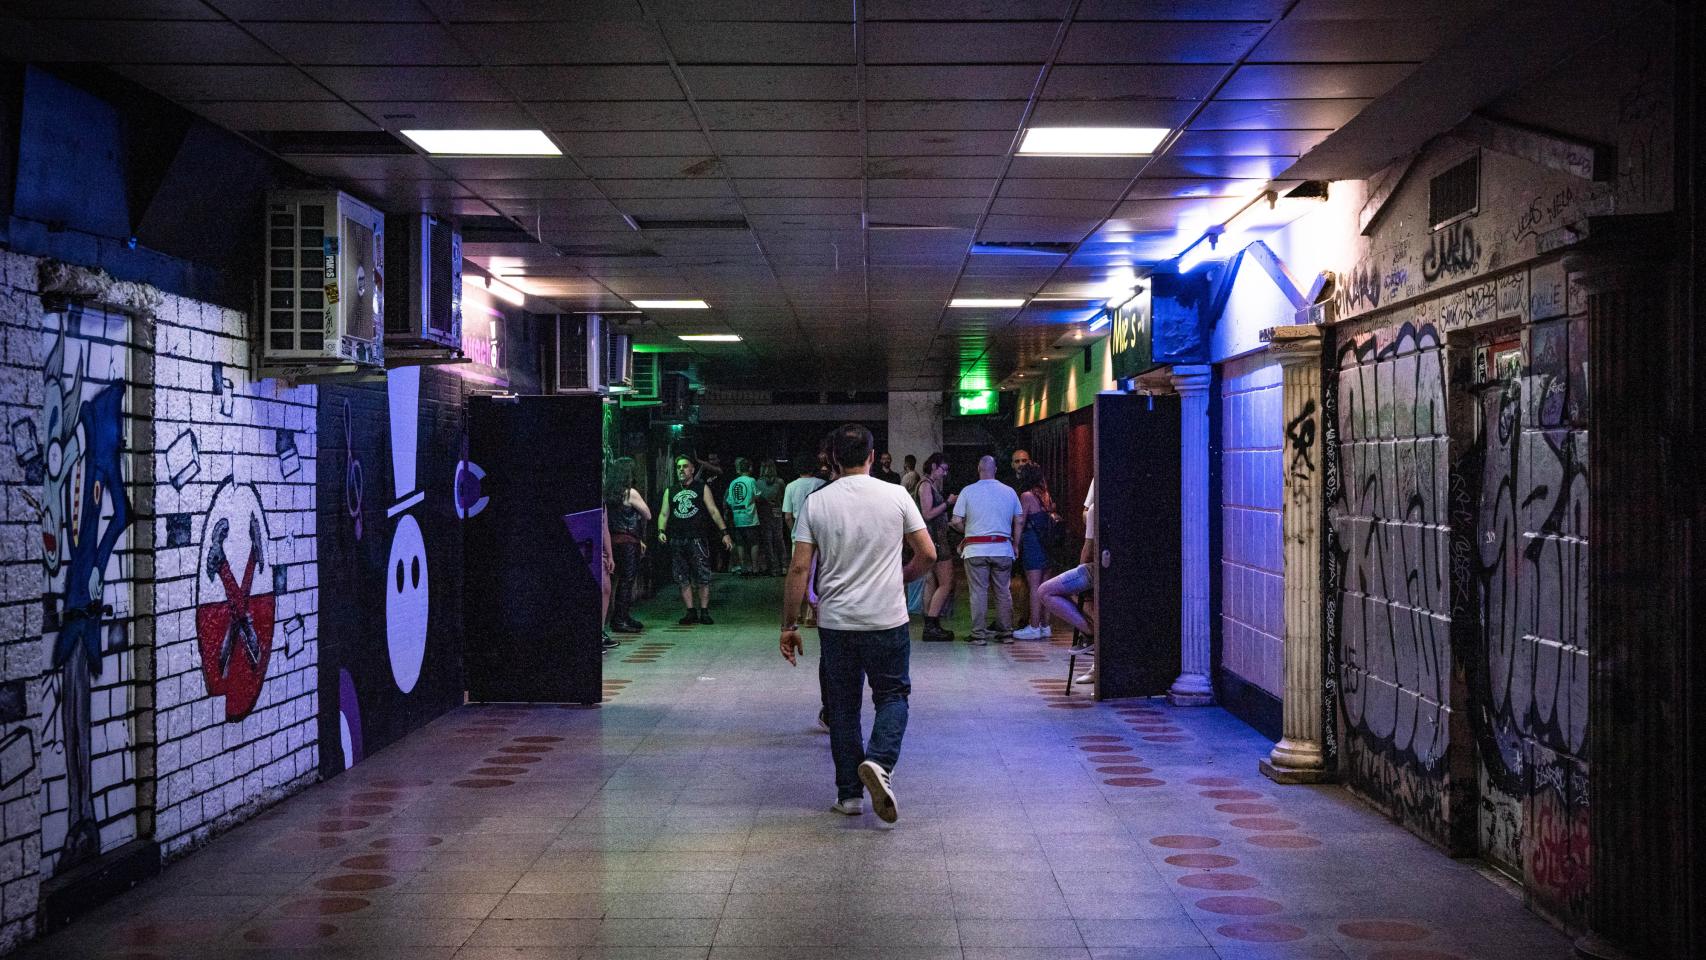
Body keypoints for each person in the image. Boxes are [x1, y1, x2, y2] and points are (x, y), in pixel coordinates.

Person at [781, 423, 934, 823]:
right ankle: (880, 763)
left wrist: (789, 624)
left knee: (843, 707)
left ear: (833, 458)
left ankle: (849, 795)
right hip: (887, 619)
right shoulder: (897, 495)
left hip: (837, 623)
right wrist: (901, 577)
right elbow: (929, 554)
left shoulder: (817, 502)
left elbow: (799, 567)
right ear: (871, 456)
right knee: (893, 696)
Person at [951, 455, 1024, 645]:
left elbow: (956, 520)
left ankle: (979, 635)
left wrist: (968, 531)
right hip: (1003, 548)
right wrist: (1016, 544)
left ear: (978, 469)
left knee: (978, 592)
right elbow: (1019, 519)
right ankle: (1006, 633)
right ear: (996, 470)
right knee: (1003, 591)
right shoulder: (1009, 492)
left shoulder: (967, 491)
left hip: (975, 550)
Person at [1035, 480, 1098, 685]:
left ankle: (1091, 633)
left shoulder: (1095, 510)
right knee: (1074, 594)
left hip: (1095, 568)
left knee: (1046, 591)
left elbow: (1087, 551)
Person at [658, 455, 733, 625]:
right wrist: (661, 530)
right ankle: (690, 611)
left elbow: (713, 510)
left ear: (692, 469)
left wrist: (724, 532)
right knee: (681, 576)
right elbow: (664, 513)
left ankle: (704, 611)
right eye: (678, 467)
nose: (681, 470)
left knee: (702, 575)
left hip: (697, 537)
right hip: (677, 539)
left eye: (685, 466)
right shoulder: (671, 490)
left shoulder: (701, 487)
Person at [1013, 462, 1061, 640]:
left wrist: (1015, 544)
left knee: (1034, 587)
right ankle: (1045, 625)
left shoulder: (1026, 496)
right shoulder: (1045, 495)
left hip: (1033, 544)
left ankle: (1033, 626)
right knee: (1045, 587)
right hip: (1048, 545)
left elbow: (1020, 521)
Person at [605, 457, 651, 636]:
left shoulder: (608, 493)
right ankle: (620, 619)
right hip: (628, 541)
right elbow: (647, 514)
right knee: (627, 580)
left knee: (616, 580)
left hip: (613, 540)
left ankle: (620, 616)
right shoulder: (630, 493)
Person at [916, 453, 958, 642]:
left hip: (932, 539)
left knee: (931, 582)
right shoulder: (925, 486)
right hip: (937, 541)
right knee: (946, 583)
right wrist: (947, 504)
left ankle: (930, 624)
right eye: (943, 469)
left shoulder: (928, 485)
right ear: (933, 466)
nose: (944, 473)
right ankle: (932, 624)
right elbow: (927, 513)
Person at [781, 455, 827, 627]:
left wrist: (794, 530)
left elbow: (787, 516)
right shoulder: (820, 484)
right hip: (818, 536)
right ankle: (810, 613)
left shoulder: (791, 486)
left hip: (798, 537)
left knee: (799, 572)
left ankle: (798, 614)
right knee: (815, 575)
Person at [725, 458, 762, 575]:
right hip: (750, 518)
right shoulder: (751, 481)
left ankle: (743, 567)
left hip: (737, 518)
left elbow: (729, 501)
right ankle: (755, 568)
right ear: (750, 468)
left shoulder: (733, 483)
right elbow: (757, 496)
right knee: (754, 543)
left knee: (740, 544)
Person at [755, 459, 787, 576]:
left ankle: (772, 568)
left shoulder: (758, 482)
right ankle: (783, 566)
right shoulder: (780, 482)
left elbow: (757, 499)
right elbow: (783, 497)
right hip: (777, 512)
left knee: (767, 541)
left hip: (764, 513)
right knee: (779, 539)